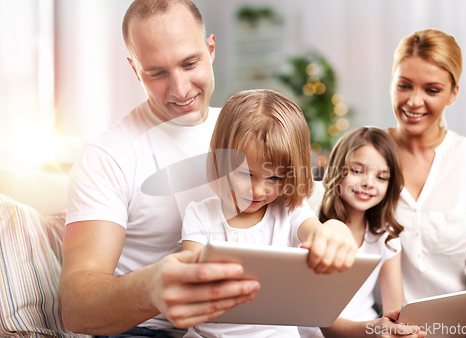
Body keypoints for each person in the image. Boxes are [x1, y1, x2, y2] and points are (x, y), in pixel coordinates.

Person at [60, 1, 357, 337]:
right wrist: (149, 288)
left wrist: (332, 231)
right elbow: (75, 307)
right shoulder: (108, 155)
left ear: (210, 48)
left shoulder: (245, 129)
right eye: (157, 72)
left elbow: (300, 220)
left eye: (190, 63)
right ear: (134, 68)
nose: (181, 89)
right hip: (151, 329)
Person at [179, 89, 358, 338]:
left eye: (274, 177)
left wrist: (335, 229)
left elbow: (318, 234)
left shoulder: (290, 212)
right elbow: (192, 278)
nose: (257, 190)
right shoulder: (200, 215)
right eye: (244, 173)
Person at [387, 29, 466, 338]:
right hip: (384, 329)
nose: (414, 101)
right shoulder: (365, 157)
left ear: (453, 93)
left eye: (432, 90)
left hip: (462, 331)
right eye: (404, 85)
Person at [317, 127, 424, 338]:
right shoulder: (310, 228)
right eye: (357, 171)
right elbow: (322, 323)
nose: (368, 183)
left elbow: (395, 312)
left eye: (381, 177)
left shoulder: (386, 237)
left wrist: (402, 331)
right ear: (337, 170)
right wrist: (374, 330)